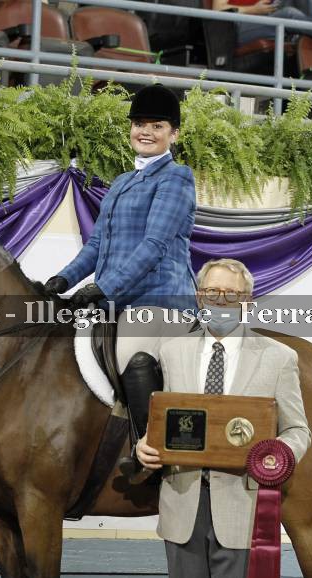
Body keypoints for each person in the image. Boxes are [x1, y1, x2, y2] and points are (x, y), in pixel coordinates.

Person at [136, 258, 312, 578]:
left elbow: (298, 430)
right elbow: (165, 421)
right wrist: (144, 446)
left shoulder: (279, 358)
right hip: (183, 505)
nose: (221, 300)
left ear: (247, 300)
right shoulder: (172, 352)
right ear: (199, 297)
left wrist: (277, 456)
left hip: (242, 507)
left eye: (231, 294)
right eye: (212, 292)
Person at [43, 84, 198, 465]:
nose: (145, 132)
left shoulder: (176, 177)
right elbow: (97, 245)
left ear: (174, 134)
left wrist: (102, 288)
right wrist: (63, 280)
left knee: (131, 353)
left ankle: (152, 451)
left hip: (160, 302)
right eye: (139, 124)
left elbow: (154, 245)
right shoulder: (123, 182)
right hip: (117, 302)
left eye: (157, 126)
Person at [211, 0, 312, 51]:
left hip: (262, 17)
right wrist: (253, 9)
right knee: (288, 13)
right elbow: (217, 9)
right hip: (236, 26)